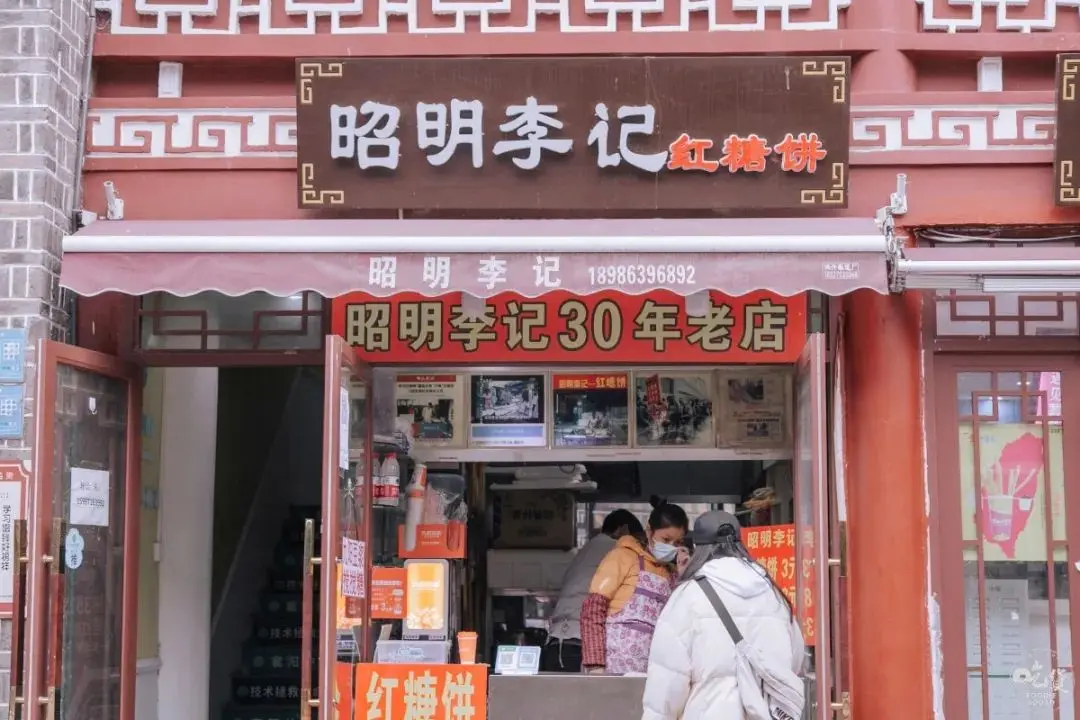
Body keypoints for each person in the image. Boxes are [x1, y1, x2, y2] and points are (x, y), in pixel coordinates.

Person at [641, 511, 805, 720]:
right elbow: (795, 660)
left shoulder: (687, 597)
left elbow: (667, 683)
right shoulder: (772, 594)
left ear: (698, 548)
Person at [580, 498, 689, 675]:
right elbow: (592, 610)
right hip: (611, 670)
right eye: (666, 539)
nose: (671, 547)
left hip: (651, 672)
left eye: (677, 543)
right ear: (649, 531)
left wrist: (683, 575)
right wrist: (595, 666)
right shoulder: (621, 557)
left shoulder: (671, 572)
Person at [541, 509, 644, 673]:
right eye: (635, 540)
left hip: (557, 640)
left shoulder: (588, 549)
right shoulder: (616, 550)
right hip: (580, 642)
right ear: (623, 530)